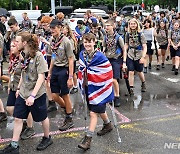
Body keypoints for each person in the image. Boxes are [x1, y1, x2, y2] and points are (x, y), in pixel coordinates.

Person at [0, 32, 53, 153]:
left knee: (42, 117)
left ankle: (47, 137)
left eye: (17, 41)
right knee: (18, 118)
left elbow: (41, 77)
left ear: (24, 43)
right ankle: (14, 145)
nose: (15, 43)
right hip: (23, 92)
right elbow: (23, 73)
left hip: (36, 94)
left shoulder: (38, 56)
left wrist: (33, 96)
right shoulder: (23, 54)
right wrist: (18, 88)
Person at [78, 33, 113, 151]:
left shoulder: (100, 56)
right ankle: (108, 124)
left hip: (99, 88)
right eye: (85, 41)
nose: (87, 44)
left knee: (93, 113)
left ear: (94, 42)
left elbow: (107, 71)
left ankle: (88, 139)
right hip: (88, 87)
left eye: (90, 41)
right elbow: (82, 68)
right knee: (98, 109)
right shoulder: (82, 55)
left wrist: (93, 75)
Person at [48, 19, 75, 131]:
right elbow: (53, 57)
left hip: (64, 69)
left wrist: (70, 77)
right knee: (54, 96)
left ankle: (69, 118)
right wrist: (50, 72)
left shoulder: (66, 41)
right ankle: (67, 108)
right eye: (51, 28)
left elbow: (71, 59)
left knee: (65, 94)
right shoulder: (52, 40)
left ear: (60, 28)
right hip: (56, 69)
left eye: (54, 28)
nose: (52, 30)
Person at [103, 19, 126, 107]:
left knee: (114, 79)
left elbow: (124, 50)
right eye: (106, 26)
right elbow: (104, 48)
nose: (106, 28)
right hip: (108, 59)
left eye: (108, 26)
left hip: (116, 59)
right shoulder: (105, 37)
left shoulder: (118, 37)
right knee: (107, 79)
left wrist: (124, 62)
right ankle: (109, 95)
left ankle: (117, 97)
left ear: (113, 26)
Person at [124, 18, 147, 96]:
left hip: (139, 54)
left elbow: (144, 46)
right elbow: (126, 44)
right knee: (131, 71)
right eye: (131, 24)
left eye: (134, 24)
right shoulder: (127, 34)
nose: (132, 25)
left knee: (140, 71)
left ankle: (143, 83)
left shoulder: (141, 34)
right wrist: (125, 51)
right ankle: (131, 88)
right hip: (130, 54)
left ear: (137, 24)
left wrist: (143, 57)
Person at [63, 24, 78, 94]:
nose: (63, 30)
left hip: (72, 58)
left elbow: (72, 49)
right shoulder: (62, 38)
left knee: (73, 73)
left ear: (68, 30)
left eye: (64, 29)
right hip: (65, 59)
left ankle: (75, 86)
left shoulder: (70, 39)